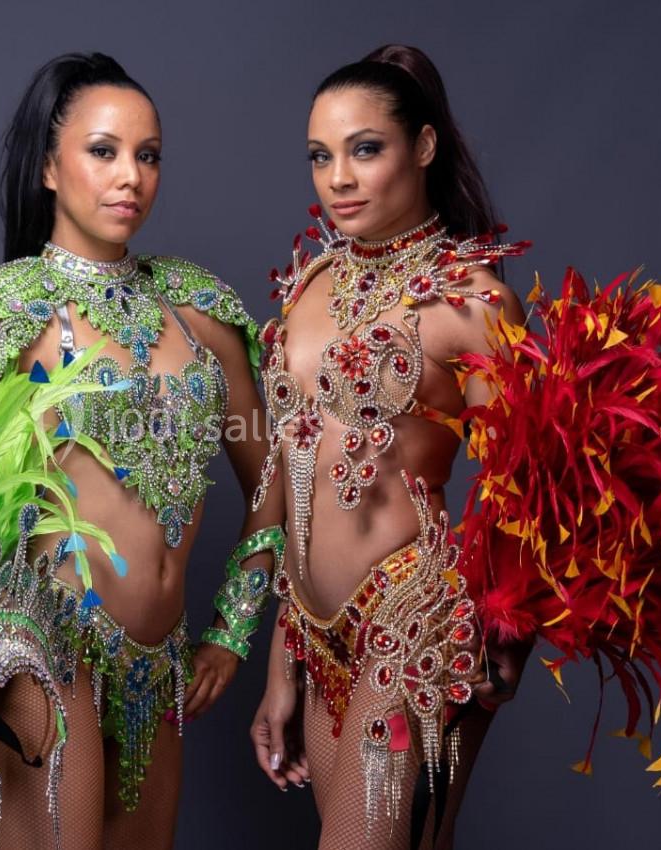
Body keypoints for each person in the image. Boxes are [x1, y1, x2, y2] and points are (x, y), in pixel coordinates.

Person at [0, 52, 285, 850]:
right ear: (48, 169)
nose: (129, 175)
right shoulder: (5, 313)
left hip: (158, 667)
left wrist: (234, 630)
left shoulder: (198, 309)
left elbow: (272, 475)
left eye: (148, 154)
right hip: (49, 653)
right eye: (103, 151)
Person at [247, 45, 534, 849]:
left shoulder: (471, 301)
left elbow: (526, 487)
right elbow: (293, 478)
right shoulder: (307, 288)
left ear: (425, 147)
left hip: (417, 623)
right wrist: (281, 671)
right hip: (317, 634)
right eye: (320, 156)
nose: (338, 177)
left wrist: (508, 638)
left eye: (364, 149)